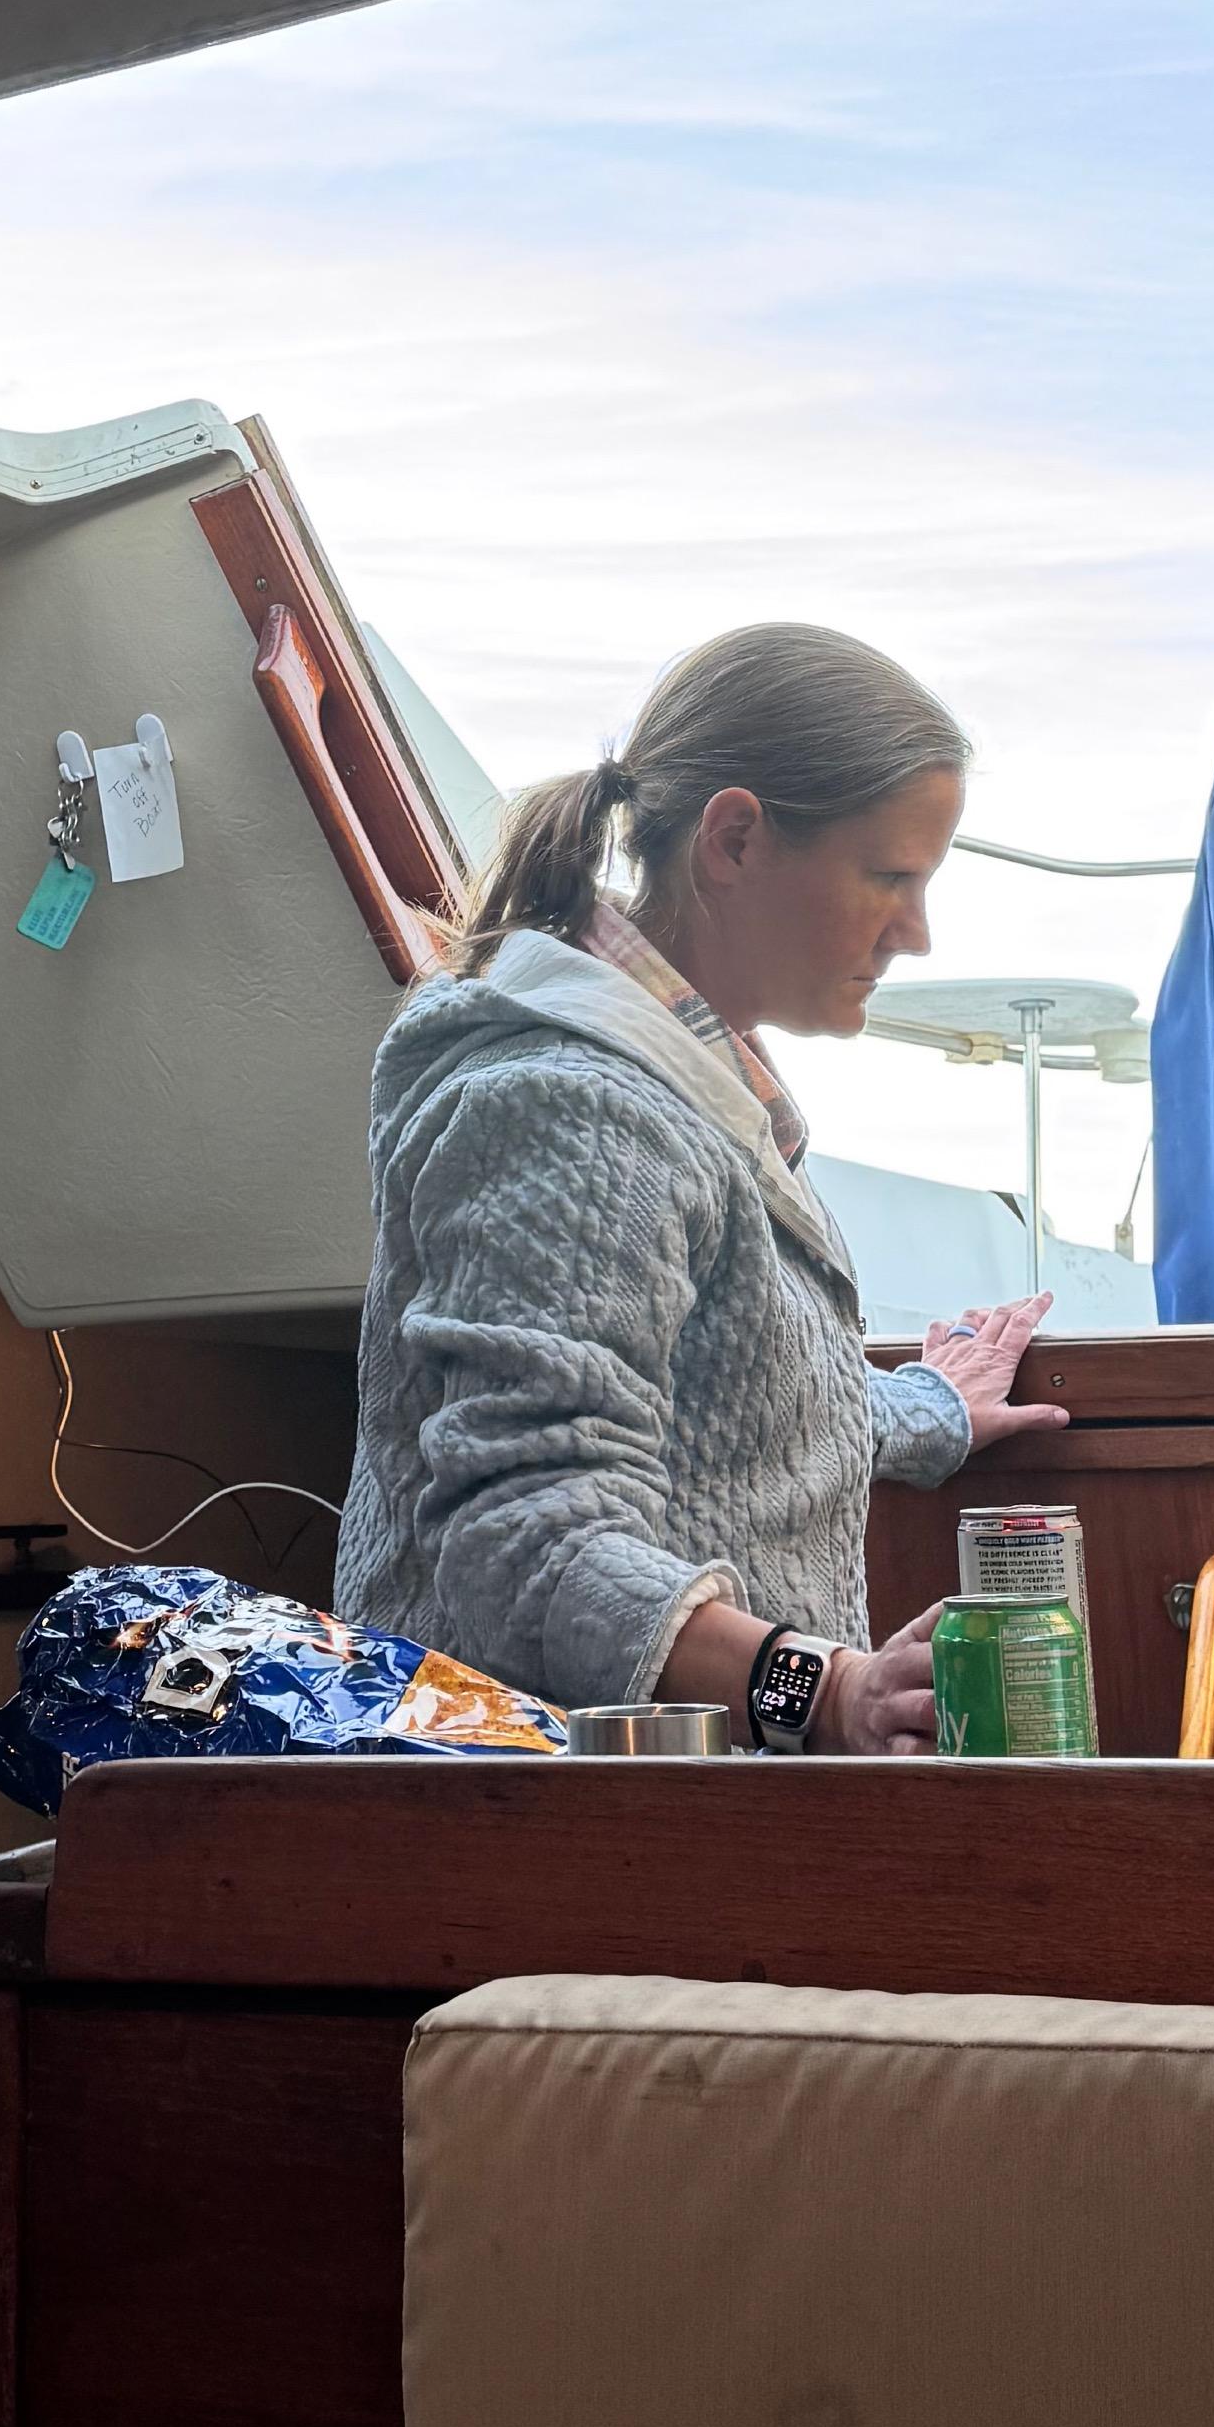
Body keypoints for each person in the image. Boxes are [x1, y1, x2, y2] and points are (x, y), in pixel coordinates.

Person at [334, 623, 1071, 1750]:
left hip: (674, 1819)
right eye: (889, 875)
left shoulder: (683, 1100)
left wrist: (924, 1407)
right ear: (734, 840)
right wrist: (823, 1693)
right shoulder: (577, 1114)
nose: (914, 932)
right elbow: (528, 1538)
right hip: (547, 1837)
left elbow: (710, 1409)